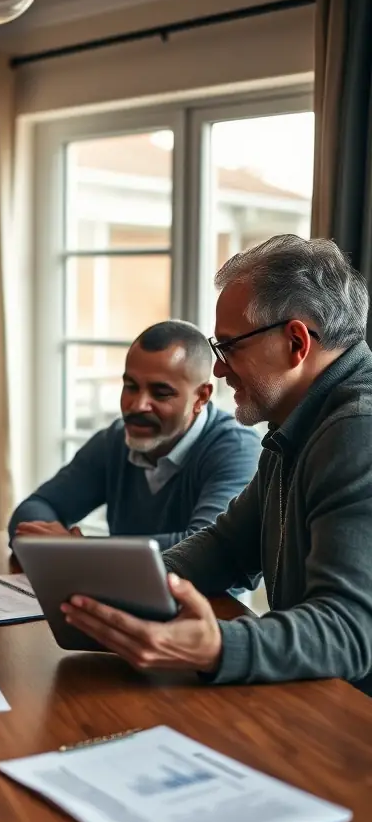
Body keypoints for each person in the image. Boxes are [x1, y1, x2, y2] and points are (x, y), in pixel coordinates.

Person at [62, 235, 372, 693]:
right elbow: (226, 548)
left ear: (296, 341)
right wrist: (120, 583)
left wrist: (216, 646)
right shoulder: (297, 426)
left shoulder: (357, 431)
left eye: (229, 346)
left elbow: (350, 632)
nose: (219, 369)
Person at [9, 320, 260, 548]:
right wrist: (63, 544)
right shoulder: (114, 441)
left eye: (160, 393)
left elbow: (206, 548)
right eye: (130, 386)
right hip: (117, 585)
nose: (138, 405)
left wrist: (80, 549)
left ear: (201, 397)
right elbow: (34, 509)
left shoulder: (237, 450)